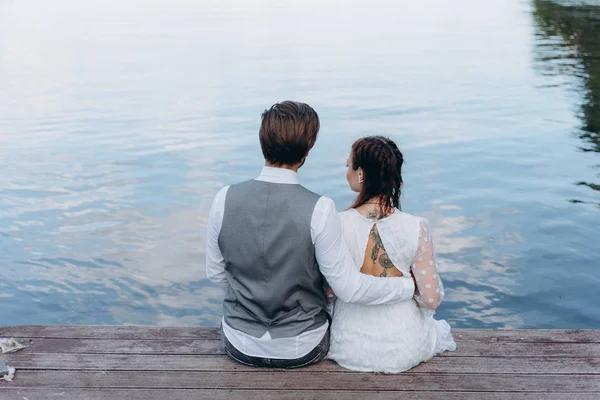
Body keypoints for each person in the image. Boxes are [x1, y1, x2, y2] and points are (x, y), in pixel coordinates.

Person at [205, 101, 416, 368]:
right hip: (301, 347)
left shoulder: (223, 198)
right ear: (307, 151)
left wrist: (251, 298)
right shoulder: (320, 208)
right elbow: (348, 288)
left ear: (262, 143)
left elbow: (215, 273)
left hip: (239, 344)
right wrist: (407, 286)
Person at [326, 136, 457, 373]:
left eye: (348, 166)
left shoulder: (336, 223)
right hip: (405, 346)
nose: (346, 172)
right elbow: (431, 299)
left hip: (348, 346)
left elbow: (328, 291)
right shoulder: (416, 226)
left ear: (361, 174)